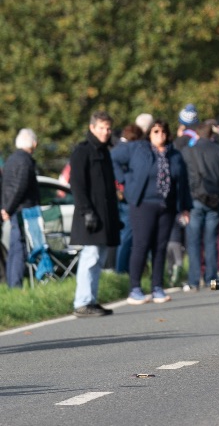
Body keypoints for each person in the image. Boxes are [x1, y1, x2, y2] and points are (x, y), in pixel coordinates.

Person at [118, 119, 192, 304]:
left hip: (166, 206)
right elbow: (114, 159)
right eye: (156, 131)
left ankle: (157, 287)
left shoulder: (174, 155)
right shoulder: (138, 149)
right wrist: (125, 182)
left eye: (163, 132)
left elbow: (182, 183)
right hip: (143, 204)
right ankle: (135, 288)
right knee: (141, 244)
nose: (160, 135)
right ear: (149, 134)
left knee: (160, 247)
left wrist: (184, 207)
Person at [69, 111, 120, 317]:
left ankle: (91, 300)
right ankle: (82, 302)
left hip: (104, 215)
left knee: (99, 258)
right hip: (90, 215)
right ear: (92, 128)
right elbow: (77, 185)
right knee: (90, 257)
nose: (106, 132)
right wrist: (87, 212)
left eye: (108, 128)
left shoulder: (104, 151)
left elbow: (108, 189)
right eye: (101, 128)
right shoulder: (82, 151)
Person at [183, 122, 219, 291]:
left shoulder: (190, 150)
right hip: (215, 198)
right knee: (211, 240)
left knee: (194, 241)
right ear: (211, 135)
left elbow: (188, 176)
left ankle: (194, 280)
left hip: (195, 198)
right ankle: (211, 277)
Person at [1, 129, 40, 288]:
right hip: (23, 210)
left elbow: (6, 186)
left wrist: (6, 208)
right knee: (20, 249)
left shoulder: (11, 159)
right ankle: (15, 285)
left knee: (14, 249)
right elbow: (20, 186)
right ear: (34, 144)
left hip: (14, 210)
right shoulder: (26, 160)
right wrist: (8, 209)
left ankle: (13, 284)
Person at [110, 123, 144, 274]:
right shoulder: (126, 148)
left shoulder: (118, 147)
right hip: (127, 197)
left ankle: (122, 269)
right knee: (128, 234)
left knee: (126, 233)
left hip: (121, 197)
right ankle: (121, 269)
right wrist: (123, 180)